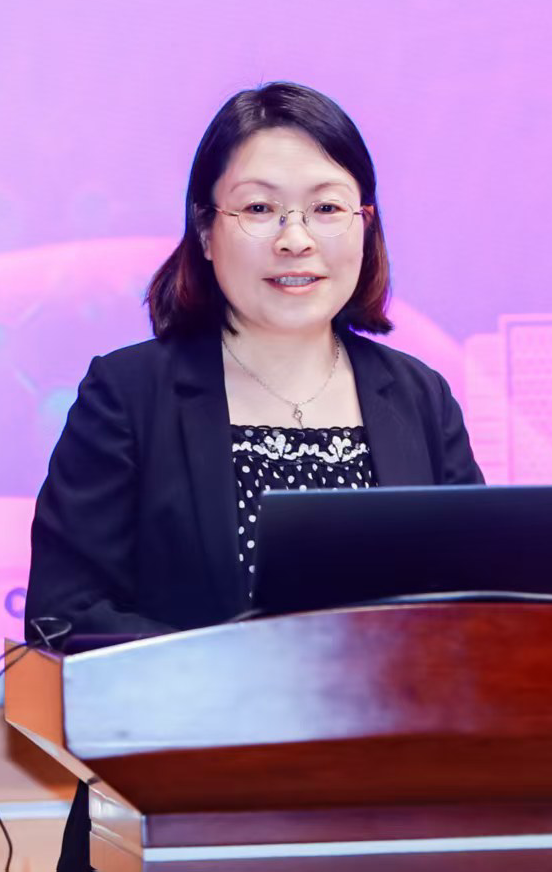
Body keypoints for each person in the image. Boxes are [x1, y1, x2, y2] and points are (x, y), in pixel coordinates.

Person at [24, 82, 484, 646]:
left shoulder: (419, 397)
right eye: (260, 209)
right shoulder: (128, 396)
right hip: (201, 705)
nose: (295, 239)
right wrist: (236, 670)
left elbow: (479, 605)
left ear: (365, 225)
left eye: (326, 208)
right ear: (205, 231)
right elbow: (63, 618)